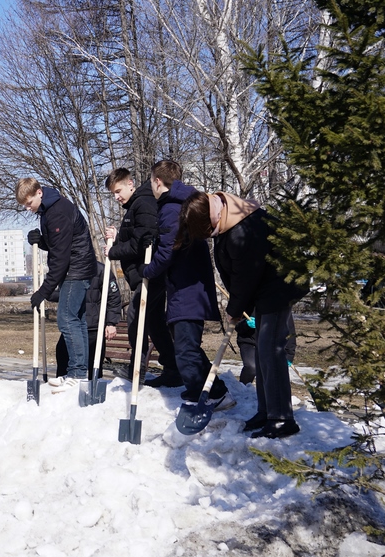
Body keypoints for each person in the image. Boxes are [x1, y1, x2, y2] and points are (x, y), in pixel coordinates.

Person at [175, 189, 307, 438]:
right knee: (262, 349)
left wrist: (234, 309)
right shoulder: (225, 219)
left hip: (281, 285)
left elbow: (246, 277)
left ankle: (281, 419)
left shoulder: (241, 229)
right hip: (265, 288)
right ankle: (266, 411)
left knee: (271, 350)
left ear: (208, 218)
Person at [141, 161, 228, 405]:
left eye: (151, 182)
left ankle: (204, 395)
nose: (152, 187)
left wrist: (147, 270)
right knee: (187, 345)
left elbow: (168, 250)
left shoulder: (171, 209)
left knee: (186, 349)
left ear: (158, 181)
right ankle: (214, 390)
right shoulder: (183, 204)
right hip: (188, 285)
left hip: (187, 287)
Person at [16, 177, 97, 385]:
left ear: (39, 193)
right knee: (76, 321)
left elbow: (61, 258)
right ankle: (80, 373)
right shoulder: (48, 210)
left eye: (28, 203)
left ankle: (77, 374)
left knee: (67, 319)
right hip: (75, 268)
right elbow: (57, 244)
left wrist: (44, 291)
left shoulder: (58, 211)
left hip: (75, 270)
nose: (28, 208)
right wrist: (40, 240)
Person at [104, 168, 180, 387]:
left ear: (131, 184)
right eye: (113, 194)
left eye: (118, 191)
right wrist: (118, 240)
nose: (117, 197)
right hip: (145, 274)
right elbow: (136, 238)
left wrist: (113, 251)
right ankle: (172, 369)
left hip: (151, 273)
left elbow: (142, 242)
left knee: (136, 318)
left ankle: (137, 367)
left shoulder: (143, 203)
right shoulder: (135, 206)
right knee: (155, 323)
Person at [52, 262, 122, 383]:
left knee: (94, 366)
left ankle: (93, 392)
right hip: (72, 325)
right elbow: (64, 294)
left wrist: (111, 323)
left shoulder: (101, 270)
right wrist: (45, 293)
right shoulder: (69, 268)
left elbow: (114, 297)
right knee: (62, 357)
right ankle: (63, 393)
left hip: (94, 327)